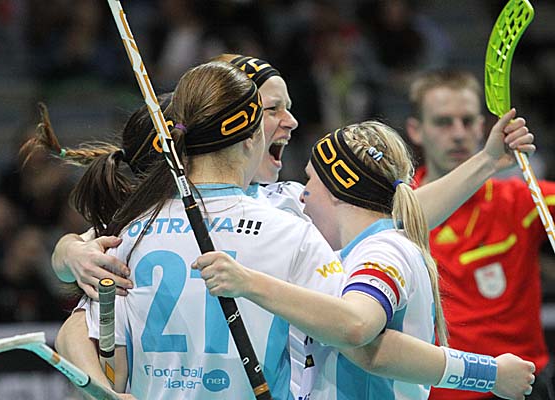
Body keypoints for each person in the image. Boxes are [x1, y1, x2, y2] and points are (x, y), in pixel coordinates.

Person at [56, 60, 347, 399]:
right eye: (271, 110)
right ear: (251, 138)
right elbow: (352, 328)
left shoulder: (130, 232)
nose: (289, 120)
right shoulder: (293, 230)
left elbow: (94, 340)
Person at [192, 118, 536, 400]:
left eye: (310, 179)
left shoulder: (383, 251)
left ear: (339, 187)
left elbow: (358, 328)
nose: (303, 195)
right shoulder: (361, 250)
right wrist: (488, 160)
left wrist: (247, 282)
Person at [404, 69, 555, 400]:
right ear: (416, 130)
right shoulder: (397, 212)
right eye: (443, 122)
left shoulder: (522, 200)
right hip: (437, 394)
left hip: (523, 391)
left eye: (468, 121)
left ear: (483, 127)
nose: (458, 134)